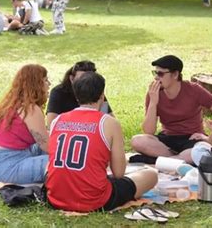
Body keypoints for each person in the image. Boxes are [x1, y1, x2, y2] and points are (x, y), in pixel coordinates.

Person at [46, 72, 158, 212]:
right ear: (102, 95)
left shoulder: (57, 120)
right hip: (94, 200)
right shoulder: (109, 123)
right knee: (151, 175)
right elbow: (118, 173)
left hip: (56, 197)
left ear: (76, 95)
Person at [130, 55, 212, 164]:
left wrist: (210, 138)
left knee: (197, 151)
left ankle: (159, 161)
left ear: (175, 74)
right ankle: (175, 160)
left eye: (160, 74)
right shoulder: (154, 93)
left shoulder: (194, 90)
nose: (156, 77)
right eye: (155, 73)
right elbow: (148, 131)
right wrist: (153, 103)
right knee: (137, 141)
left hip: (192, 139)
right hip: (168, 139)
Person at [0, 64, 50, 184]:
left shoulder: (14, 103)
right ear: (36, 85)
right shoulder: (30, 109)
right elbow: (47, 146)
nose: (49, 84)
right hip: (7, 165)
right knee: (62, 164)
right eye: (46, 80)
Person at [46, 60, 114, 126]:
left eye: (90, 79)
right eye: (81, 79)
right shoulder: (58, 92)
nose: (85, 83)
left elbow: (110, 119)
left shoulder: (95, 91)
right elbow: (51, 123)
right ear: (72, 79)